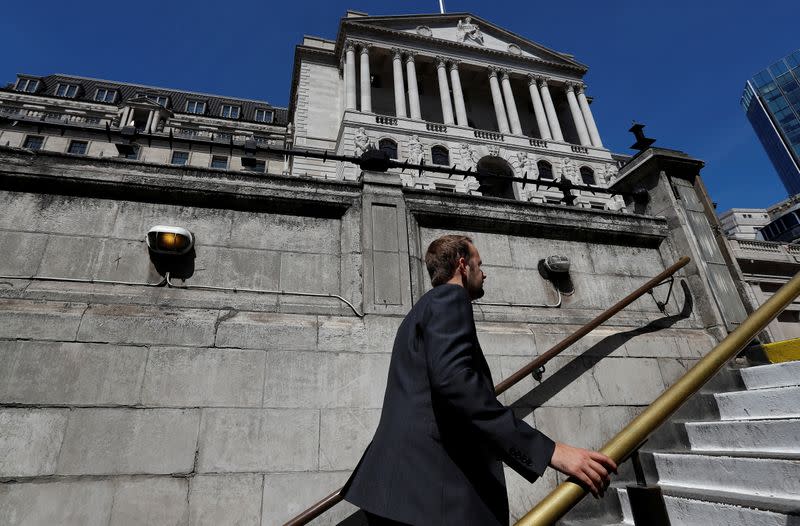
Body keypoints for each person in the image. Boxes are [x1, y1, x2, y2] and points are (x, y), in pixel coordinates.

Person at [342, 235, 617, 525]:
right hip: (432, 492)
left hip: (402, 490)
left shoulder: (419, 312)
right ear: (463, 265)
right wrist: (550, 451)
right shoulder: (451, 299)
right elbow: (455, 383)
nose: (484, 273)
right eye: (479, 264)